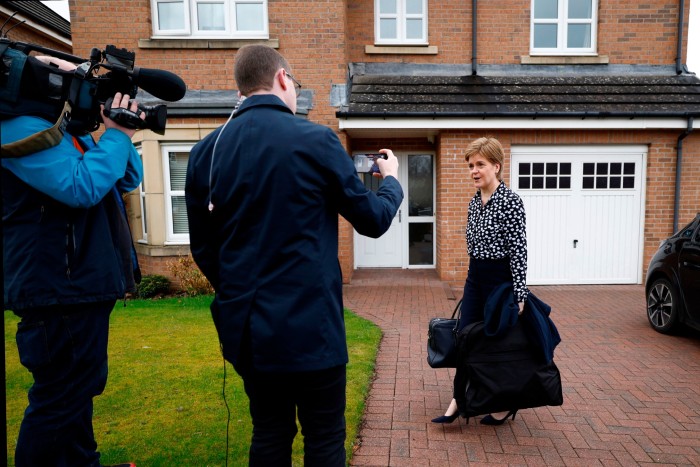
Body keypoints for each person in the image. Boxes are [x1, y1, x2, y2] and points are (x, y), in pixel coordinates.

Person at [185, 44, 403, 466]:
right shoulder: (314, 139)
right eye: (295, 84)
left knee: (269, 433)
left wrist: (237, 291)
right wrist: (391, 180)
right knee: (323, 441)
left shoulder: (204, 153)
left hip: (250, 332)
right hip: (312, 331)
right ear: (283, 78)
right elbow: (373, 219)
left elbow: (203, 248)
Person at [1, 55, 143, 467]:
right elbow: (82, 186)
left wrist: (118, 131)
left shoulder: (64, 131)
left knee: (77, 392)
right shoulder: (21, 128)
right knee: (59, 398)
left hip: (78, 286)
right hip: (58, 288)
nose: (70, 75)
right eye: (56, 66)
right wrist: (114, 136)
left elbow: (127, 177)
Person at [432, 136, 529, 426]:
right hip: (476, 279)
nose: (474, 170)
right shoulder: (475, 202)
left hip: (501, 283)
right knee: (465, 339)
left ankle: (505, 403)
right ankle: (458, 401)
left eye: (480, 164)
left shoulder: (510, 202)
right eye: (471, 165)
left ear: (496, 166)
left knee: (497, 345)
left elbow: (519, 250)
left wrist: (519, 293)